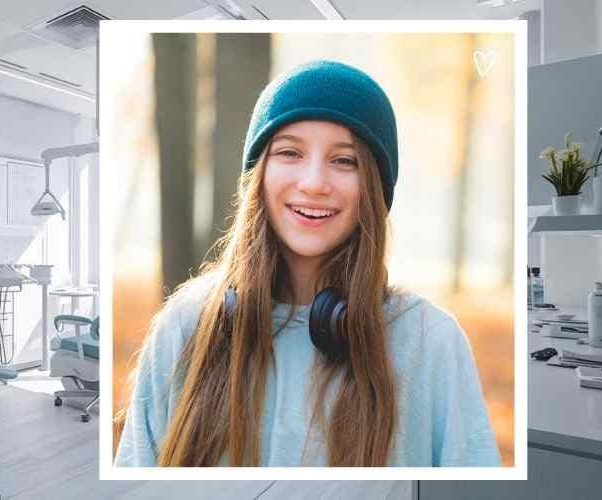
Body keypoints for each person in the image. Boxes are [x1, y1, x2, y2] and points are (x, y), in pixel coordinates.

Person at [115, 60, 500, 467]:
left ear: (373, 188)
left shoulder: (430, 341)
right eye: (289, 152)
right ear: (258, 177)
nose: (314, 182)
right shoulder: (186, 324)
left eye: (344, 160)